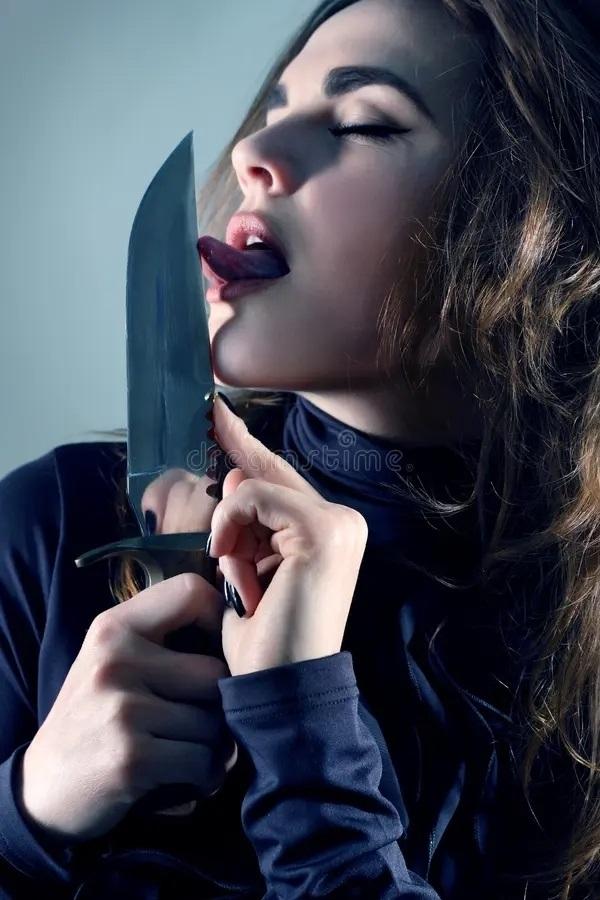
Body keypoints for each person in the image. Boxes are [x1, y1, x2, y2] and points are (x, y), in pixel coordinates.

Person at [1, 0, 599, 897]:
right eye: (277, 107)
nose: (252, 150)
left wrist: (300, 719)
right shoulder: (53, 530)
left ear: (539, 230)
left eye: (362, 122)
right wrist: (29, 810)